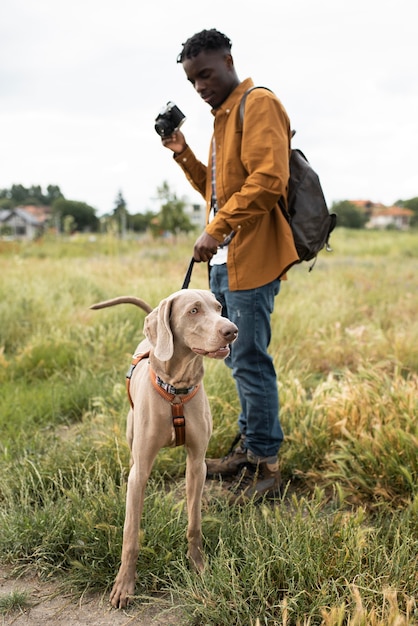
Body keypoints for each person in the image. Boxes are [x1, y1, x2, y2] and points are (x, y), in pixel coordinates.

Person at [161, 28, 299, 504]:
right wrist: (184, 155)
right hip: (225, 264)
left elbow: (268, 180)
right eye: (192, 80)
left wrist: (217, 230)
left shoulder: (256, 103)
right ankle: (249, 447)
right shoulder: (221, 118)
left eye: (206, 73)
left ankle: (266, 465)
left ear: (228, 59)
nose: (199, 86)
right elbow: (217, 194)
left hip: (252, 259)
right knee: (238, 361)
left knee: (251, 360)